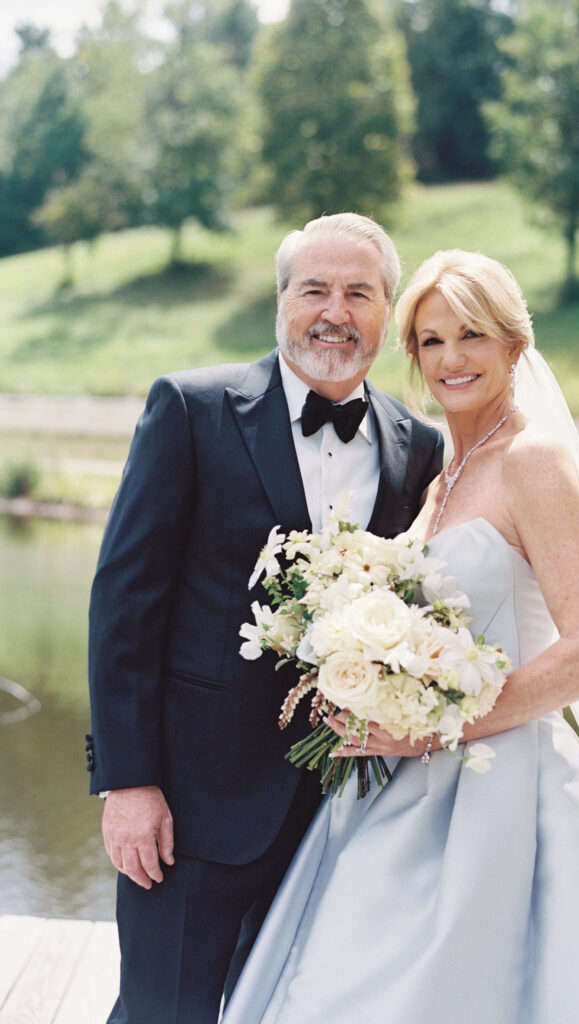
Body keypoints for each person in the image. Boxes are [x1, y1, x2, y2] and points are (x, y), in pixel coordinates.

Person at [223, 250, 579, 1023]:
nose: (451, 358)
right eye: (431, 341)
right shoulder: (444, 472)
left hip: (503, 792)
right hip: (405, 788)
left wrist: (436, 725)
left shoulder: (533, 460)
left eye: (472, 335)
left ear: (516, 345)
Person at [85, 213, 444, 1024]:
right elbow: (125, 604)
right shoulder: (190, 407)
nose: (334, 310)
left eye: (359, 292)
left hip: (341, 811)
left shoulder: (415, 448)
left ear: (388, 314)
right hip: (190, 806)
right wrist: (127, 781)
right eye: (314, 288)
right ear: (280, 302)